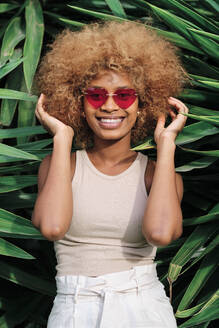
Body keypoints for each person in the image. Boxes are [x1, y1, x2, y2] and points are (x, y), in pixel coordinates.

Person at [32, 21, 188, 328]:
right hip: (75, 308)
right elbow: (51, 227)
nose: (110, 105)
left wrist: (166, 145)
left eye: (125, 95)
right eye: (96, 95)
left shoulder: (157, 175)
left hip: (142, 306)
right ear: (79, 101)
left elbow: (160, 234)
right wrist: (62, 136)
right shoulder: (60, 166)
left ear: (143, 103)